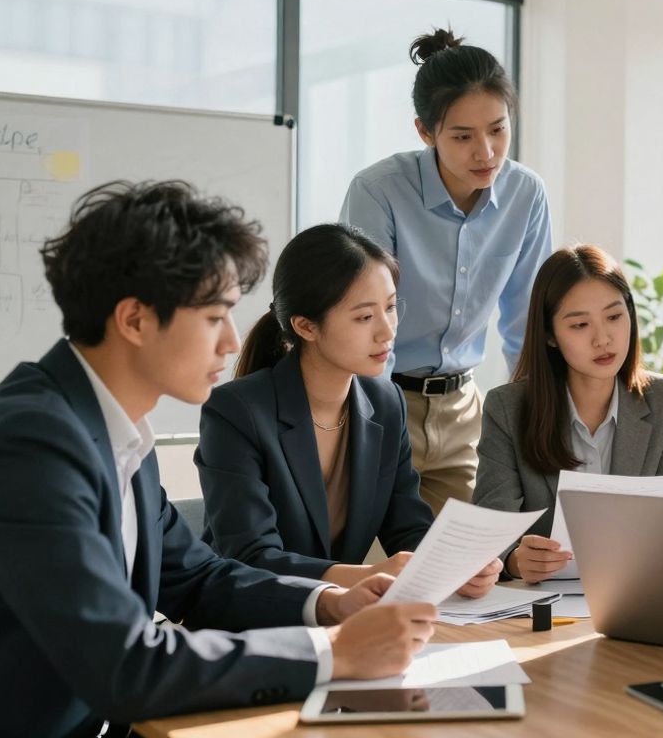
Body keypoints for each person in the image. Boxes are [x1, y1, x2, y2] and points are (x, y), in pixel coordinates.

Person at [0, 181, 436, 738]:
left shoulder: (115, 430)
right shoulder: (31, 445)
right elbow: (124, 664)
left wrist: (331, 604)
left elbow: (199, 579)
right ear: (134, 320)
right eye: (213, 317)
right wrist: (331, 654)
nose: (233, 341)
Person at [195, 224, 501, 594]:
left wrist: (454, 566)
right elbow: (251, 556)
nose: (387, 331)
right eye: (364, 317)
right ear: (306, 327)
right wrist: (364, 576)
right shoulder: (236, 411)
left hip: (342, 621)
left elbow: (407, 527)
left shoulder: (386, 403)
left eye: (390, 307)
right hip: (250, 622)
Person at [340, 27, 553, 514]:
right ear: (425, 132)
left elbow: (527, 322)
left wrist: (530, 420)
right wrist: (370, 422)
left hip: (463, 410)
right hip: (379, 401)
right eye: (462, 136)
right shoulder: (379, 191)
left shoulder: (526, 195)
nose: (486, 152)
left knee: (467, 570)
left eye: (498, 129)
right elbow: (364, 318)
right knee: (381, 573)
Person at [472, 245, 663, 582]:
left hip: (638, 591)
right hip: (544, 603)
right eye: (579, 325)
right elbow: (490, 537)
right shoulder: (507, 409)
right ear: (550, 336)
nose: (603, 339)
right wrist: (516, 560)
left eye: (614, 317)